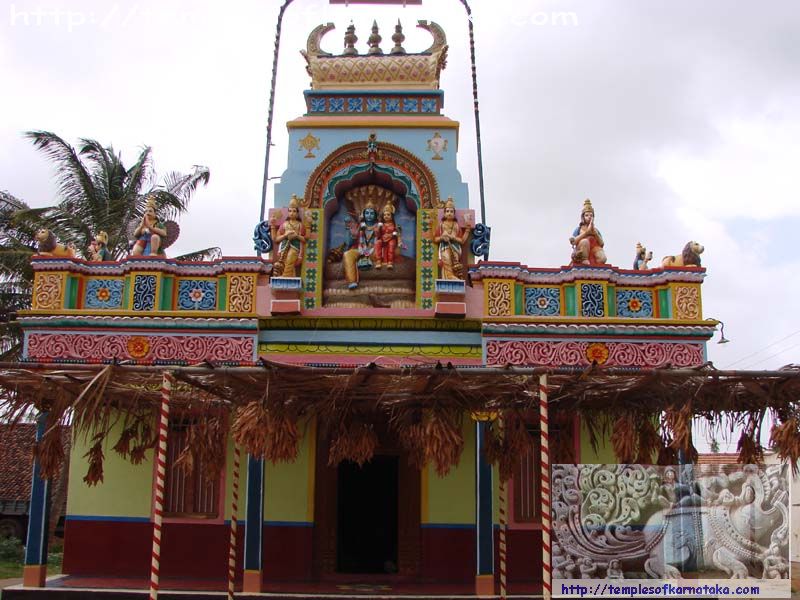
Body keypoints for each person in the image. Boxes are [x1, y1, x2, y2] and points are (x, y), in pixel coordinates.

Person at [343, 201, 381, 289]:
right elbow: (349, 243)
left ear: (375, 215)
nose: (369, 215)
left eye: (372, 213)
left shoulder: (379, 226)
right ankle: (352, 281)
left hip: (374, 251)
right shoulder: (360, 226)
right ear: (363, 215)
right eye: (367, 213)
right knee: (347, 254)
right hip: (361, 249)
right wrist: (351, 233)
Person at [433, 197, 471, 280]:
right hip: (444, 248)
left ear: (454, 213)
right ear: (444, 213)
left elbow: (462, 241)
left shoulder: (456, 226)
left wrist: (467, 230)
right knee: (446, 262)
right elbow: (435, 239)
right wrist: (442, 238)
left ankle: (452, 277)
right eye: (447, 211)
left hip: (455, 249)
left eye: (451, 211)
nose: (449, 213)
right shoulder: (441, 225)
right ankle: (449, 277)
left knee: (454, 264)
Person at [271, 195, 306, 277]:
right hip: (284, 246)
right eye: (290, 211)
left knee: (290, 259)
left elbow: (304, 239)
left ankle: (286, 276)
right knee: (285, 262)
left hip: (295, 247)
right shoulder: (284, 225)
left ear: (297, 213)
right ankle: (289, 275)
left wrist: (296, 236)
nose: (292, 213)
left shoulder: (300, 225)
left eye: (294, 211)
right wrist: (285, 235)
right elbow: (276, 239)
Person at [569, 199, 607, 266]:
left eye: (591, 215)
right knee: (585, 241)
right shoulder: (579, 229)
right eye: (586, 215)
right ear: (583, 217)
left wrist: (595, 233)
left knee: (603, 258)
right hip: (583, 247)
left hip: (594, 248)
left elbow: (601, 244)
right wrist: (586, 232)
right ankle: (584, 259)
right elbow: (574, 242)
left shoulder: (595, 230)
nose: (589, 217)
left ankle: (595, 265)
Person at [374, 201, 401, 270]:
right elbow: (377, 234)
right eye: (385, 215)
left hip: (391, 238)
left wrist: (395, 234)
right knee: (378, 243)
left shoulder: (394, 225)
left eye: (388, 215)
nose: (386, 216)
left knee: (391, 245)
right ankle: (378, 260)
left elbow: (398, 233)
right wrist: (379, 228)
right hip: (382, 239)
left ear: (392, 216)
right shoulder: (381, 224)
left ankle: (390, 262)